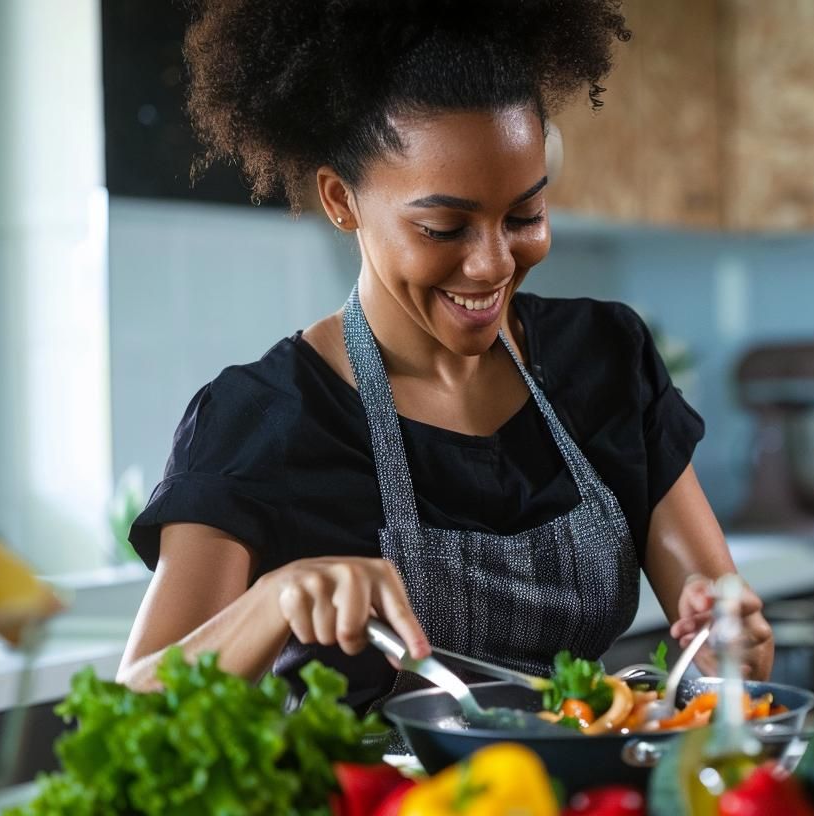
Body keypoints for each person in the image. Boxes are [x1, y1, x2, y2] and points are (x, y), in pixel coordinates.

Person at [118, 0, 773, 712]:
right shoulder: (262, 419)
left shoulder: (606, 358)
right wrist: (275, 598)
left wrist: (728, 649)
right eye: (443, 227)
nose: (492, 263)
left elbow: (721, 640)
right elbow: (138, 707)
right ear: (342, 201)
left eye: (525, 216)